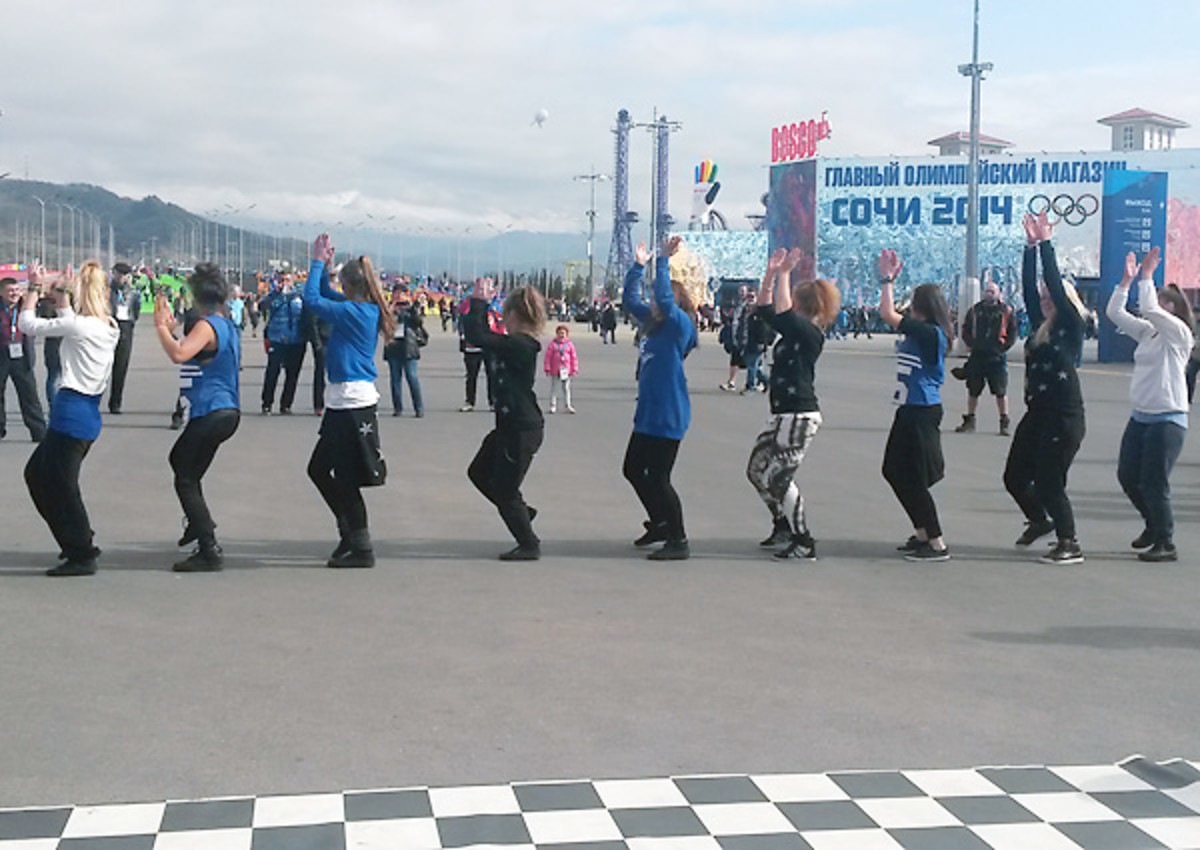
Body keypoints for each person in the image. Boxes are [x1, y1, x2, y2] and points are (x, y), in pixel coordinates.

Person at [18, 262, 120, 576]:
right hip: (82, 414)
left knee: (62, 486)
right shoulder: (108, 326)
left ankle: (82, 551)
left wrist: (33, 288)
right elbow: (70, 320)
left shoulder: (80, 326)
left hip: (71, 414)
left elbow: (27, 324)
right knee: (38, 475)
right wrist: (62, 294)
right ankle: (76, 539)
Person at [303, 237, 394, 568]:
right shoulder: (356, 308)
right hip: (342, 400)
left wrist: (316, 262)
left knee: (345, 479)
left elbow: (311, 299)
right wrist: (326, 266)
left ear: (350, 285)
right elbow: (324, 294)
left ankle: (362, 547)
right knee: (318, 469)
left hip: (353, 404)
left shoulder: (356, 312)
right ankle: (349, 533)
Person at [1003, 212, 1088, 564]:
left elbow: (1052, 283)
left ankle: (1069, 542)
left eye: (1051, 297)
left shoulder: (1070, 323)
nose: (1045, 300)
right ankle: (1039, 520)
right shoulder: (1041, 324)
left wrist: (1046, 245)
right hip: (1038, 412)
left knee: (1049, 480)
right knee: (1014, 476)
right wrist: (1029, 247)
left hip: (1063, 415)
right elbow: (1030, 289)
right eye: (1044, 298)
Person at [747, 248, 840, 559]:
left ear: (801, 304)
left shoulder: (810, 333)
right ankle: (782, 524)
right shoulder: (792, 330)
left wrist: (785, 274)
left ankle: (804, 540)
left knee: (779, 476)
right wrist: (771, 274)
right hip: (782, 412)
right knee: (756, 470)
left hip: (800, 414)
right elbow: (765, 307)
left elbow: (783, 312)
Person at [1106, 247, 1194, 562]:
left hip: (1168, 419)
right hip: (1141, 416)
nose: (1154, 305)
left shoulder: (1179, 334)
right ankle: (1152, 525)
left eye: (1161, 300)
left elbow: (1149, 308)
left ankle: (1165, 541)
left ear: (1171, 308)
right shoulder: (1148, 333)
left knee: (1154, 482)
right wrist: (1125, 282)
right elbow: (1115, 314)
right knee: (1128, 476)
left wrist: (1146, 276)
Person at [152, 264, 241, 572]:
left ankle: (208, 546)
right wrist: (172, 332)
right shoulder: (225, 324)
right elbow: (195, 353)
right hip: (226, 410)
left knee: (186, 477)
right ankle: (198, 521)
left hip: (213, 410)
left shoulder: (206, 325)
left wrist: (160, 328)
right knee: (182, 462)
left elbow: (179, 354)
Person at [623, 237, 701, 560]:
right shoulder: (653, 324)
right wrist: (637, 266)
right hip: (648, 412)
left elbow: (666, 300)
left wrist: (663, 262)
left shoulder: (677, 325)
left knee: (658, 477)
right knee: (632, 469)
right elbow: (629, 301)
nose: (652, 302)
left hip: (669, 412)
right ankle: (659, 522)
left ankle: (678, 539)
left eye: (657, 298)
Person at [877, 248, 953, 561]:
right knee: (893, 470)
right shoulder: (920, 330)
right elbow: (892, 314)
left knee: (914, 478)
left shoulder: (931, 333)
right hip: (908, 408)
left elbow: (887, 314)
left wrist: (886, 280)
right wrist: (891, 282)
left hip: (923, 410)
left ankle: (936, 542)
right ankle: (921, 532)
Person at [463, 277, 547, 560]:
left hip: (522, 428)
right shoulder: (511, 343)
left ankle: (529, 544)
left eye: (504, 314)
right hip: (509, 426)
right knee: (478, 472)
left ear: (512, 315)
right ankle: (521, 513)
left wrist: (478, 302)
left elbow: (478, 336)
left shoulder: (521, 345)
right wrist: (481, 306)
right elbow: (481, 335)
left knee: (506, 489)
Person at [952, 276, 1018, 435]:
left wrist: (1003, 348)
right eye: (987, 291)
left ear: (999, 294)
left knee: (1000, 391)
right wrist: (971, 344)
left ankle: (1004, 422)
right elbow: (965, 328)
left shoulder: (1006, 311)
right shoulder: (975, 310)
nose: (989, 294)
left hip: (997, 358)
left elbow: (1013, 332)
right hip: (977, 357)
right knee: (973, 390)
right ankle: (970, 420)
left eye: (992, 292)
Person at [0, 277, 47, 441]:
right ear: (1, 292)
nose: (14, 294)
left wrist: (36, 285)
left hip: (21, 356)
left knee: (29, 396)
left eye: (17, 290)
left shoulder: (26, 308)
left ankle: (39, 432)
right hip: (2, 355)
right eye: (10, 290)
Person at [259, 272, 306, 415]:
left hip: (296, 339)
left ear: (293, 281)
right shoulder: (273, 296)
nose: (285, 283)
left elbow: (306, 313)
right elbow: (262, 306)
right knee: (272, 372)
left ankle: (286, 404)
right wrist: (277, 294)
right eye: (282, 280)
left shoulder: (300, 295)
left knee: (292, 374)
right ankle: (267, 403)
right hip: (277, 338)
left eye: (287, 280)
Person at [384, 290, 426, 417]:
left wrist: (413, 309)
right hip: (393, 346)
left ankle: (419, 408)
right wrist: (391, 308)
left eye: (401, 294)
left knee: (412, 377)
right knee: (395, 379)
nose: (398, 296)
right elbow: (382, 323)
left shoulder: (410, 308)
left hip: (408, 346)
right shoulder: (388, 308)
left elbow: (418, 322)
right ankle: (397, 408)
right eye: (396, 294)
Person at [106, 262, 141, 414]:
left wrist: (131, 322)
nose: (121, 277)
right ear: (113, 273)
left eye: (124, 275)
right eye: (119, 274)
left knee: (121, 367)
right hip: (108, 325)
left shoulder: (133, 292)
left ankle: (115, 402)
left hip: (126, 327)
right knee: (102, 365)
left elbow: (136, 311)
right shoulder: (106, 290)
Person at [458, 296, 495, 412]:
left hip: (489, 345)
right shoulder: (468, 302)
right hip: (472, 346)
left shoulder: (494, 305)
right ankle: (470, 401)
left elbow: (498, 324)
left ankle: (493, 402)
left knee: (492, 375)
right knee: (471, 376)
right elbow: (461, 316)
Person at [543, 323, 579, 414]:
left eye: (563, 333)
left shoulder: (570, 345)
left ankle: (568, 405)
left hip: (566, 370)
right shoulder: (552, 344)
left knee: (566, 388)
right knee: (554, 388)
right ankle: (553, 405)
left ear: (566, 334)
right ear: (557, 334)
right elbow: (548, 357)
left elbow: (574, 358)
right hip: (555, 370)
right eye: (560, 333)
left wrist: (574, 369)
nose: (561, 335)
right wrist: (547, 368)